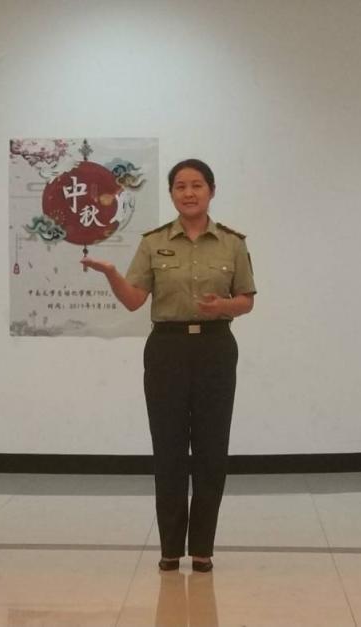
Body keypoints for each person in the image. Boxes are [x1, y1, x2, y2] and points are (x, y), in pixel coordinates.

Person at [81, 158, 256, 572]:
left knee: (212, 450)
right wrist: (112, 274)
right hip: (166, 351)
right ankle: (170, 548)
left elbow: (246, 300)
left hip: (215, 348)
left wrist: (223, 306)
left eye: (197, 185)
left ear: (212, 190)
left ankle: (203, 549)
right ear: (172, 193)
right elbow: (133, 301)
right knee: (169, 450)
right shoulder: (153, 242)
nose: (188, 193)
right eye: (180, 186)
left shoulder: (232, 243)